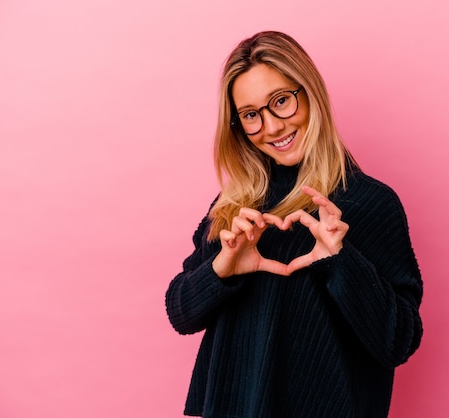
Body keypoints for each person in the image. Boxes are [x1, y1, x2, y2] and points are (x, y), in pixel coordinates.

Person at [165, 31, 423, 418]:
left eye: (281, 101)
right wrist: (224, 268)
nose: (271, 127)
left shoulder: (369, 202)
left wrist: (340, 261)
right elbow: (181, 312)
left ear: (310, 93)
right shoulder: (234, 207)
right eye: (252, 115)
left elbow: (399, 342)